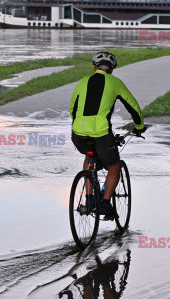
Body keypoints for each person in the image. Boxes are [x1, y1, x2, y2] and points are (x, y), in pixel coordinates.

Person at [70, 51, 145, 219]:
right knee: (114, 166)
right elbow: (133, 106)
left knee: (89, 157)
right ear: (111, 70)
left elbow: (73, 109)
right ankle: (104, 203)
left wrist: (79, 125)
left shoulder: (83, 82)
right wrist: (139, 126)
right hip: (101, 133)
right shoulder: (115, 83)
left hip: (78, 134)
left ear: (95, 67)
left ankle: (88, 200)